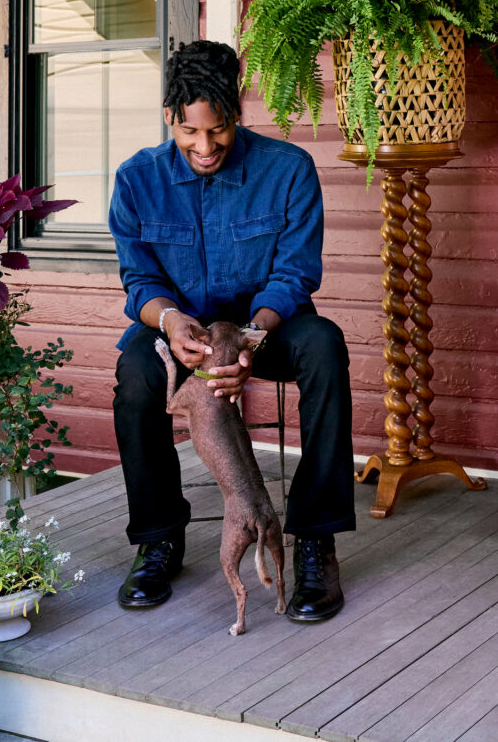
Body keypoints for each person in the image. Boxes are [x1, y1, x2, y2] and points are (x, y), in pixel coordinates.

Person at [108, 39, 354, 622]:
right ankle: (159, 538)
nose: (205, 145)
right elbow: (138, 279)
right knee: (136, 372)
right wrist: (170, 322)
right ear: (171, 116)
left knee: (325, 347)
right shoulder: (137, 179)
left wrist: (251, 335)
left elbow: (295, 274)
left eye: (217, 131)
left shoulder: (287, 170)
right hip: (181, 331)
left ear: (237, 113)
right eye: (190, 132)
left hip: (264, 330)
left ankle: (317, 542)